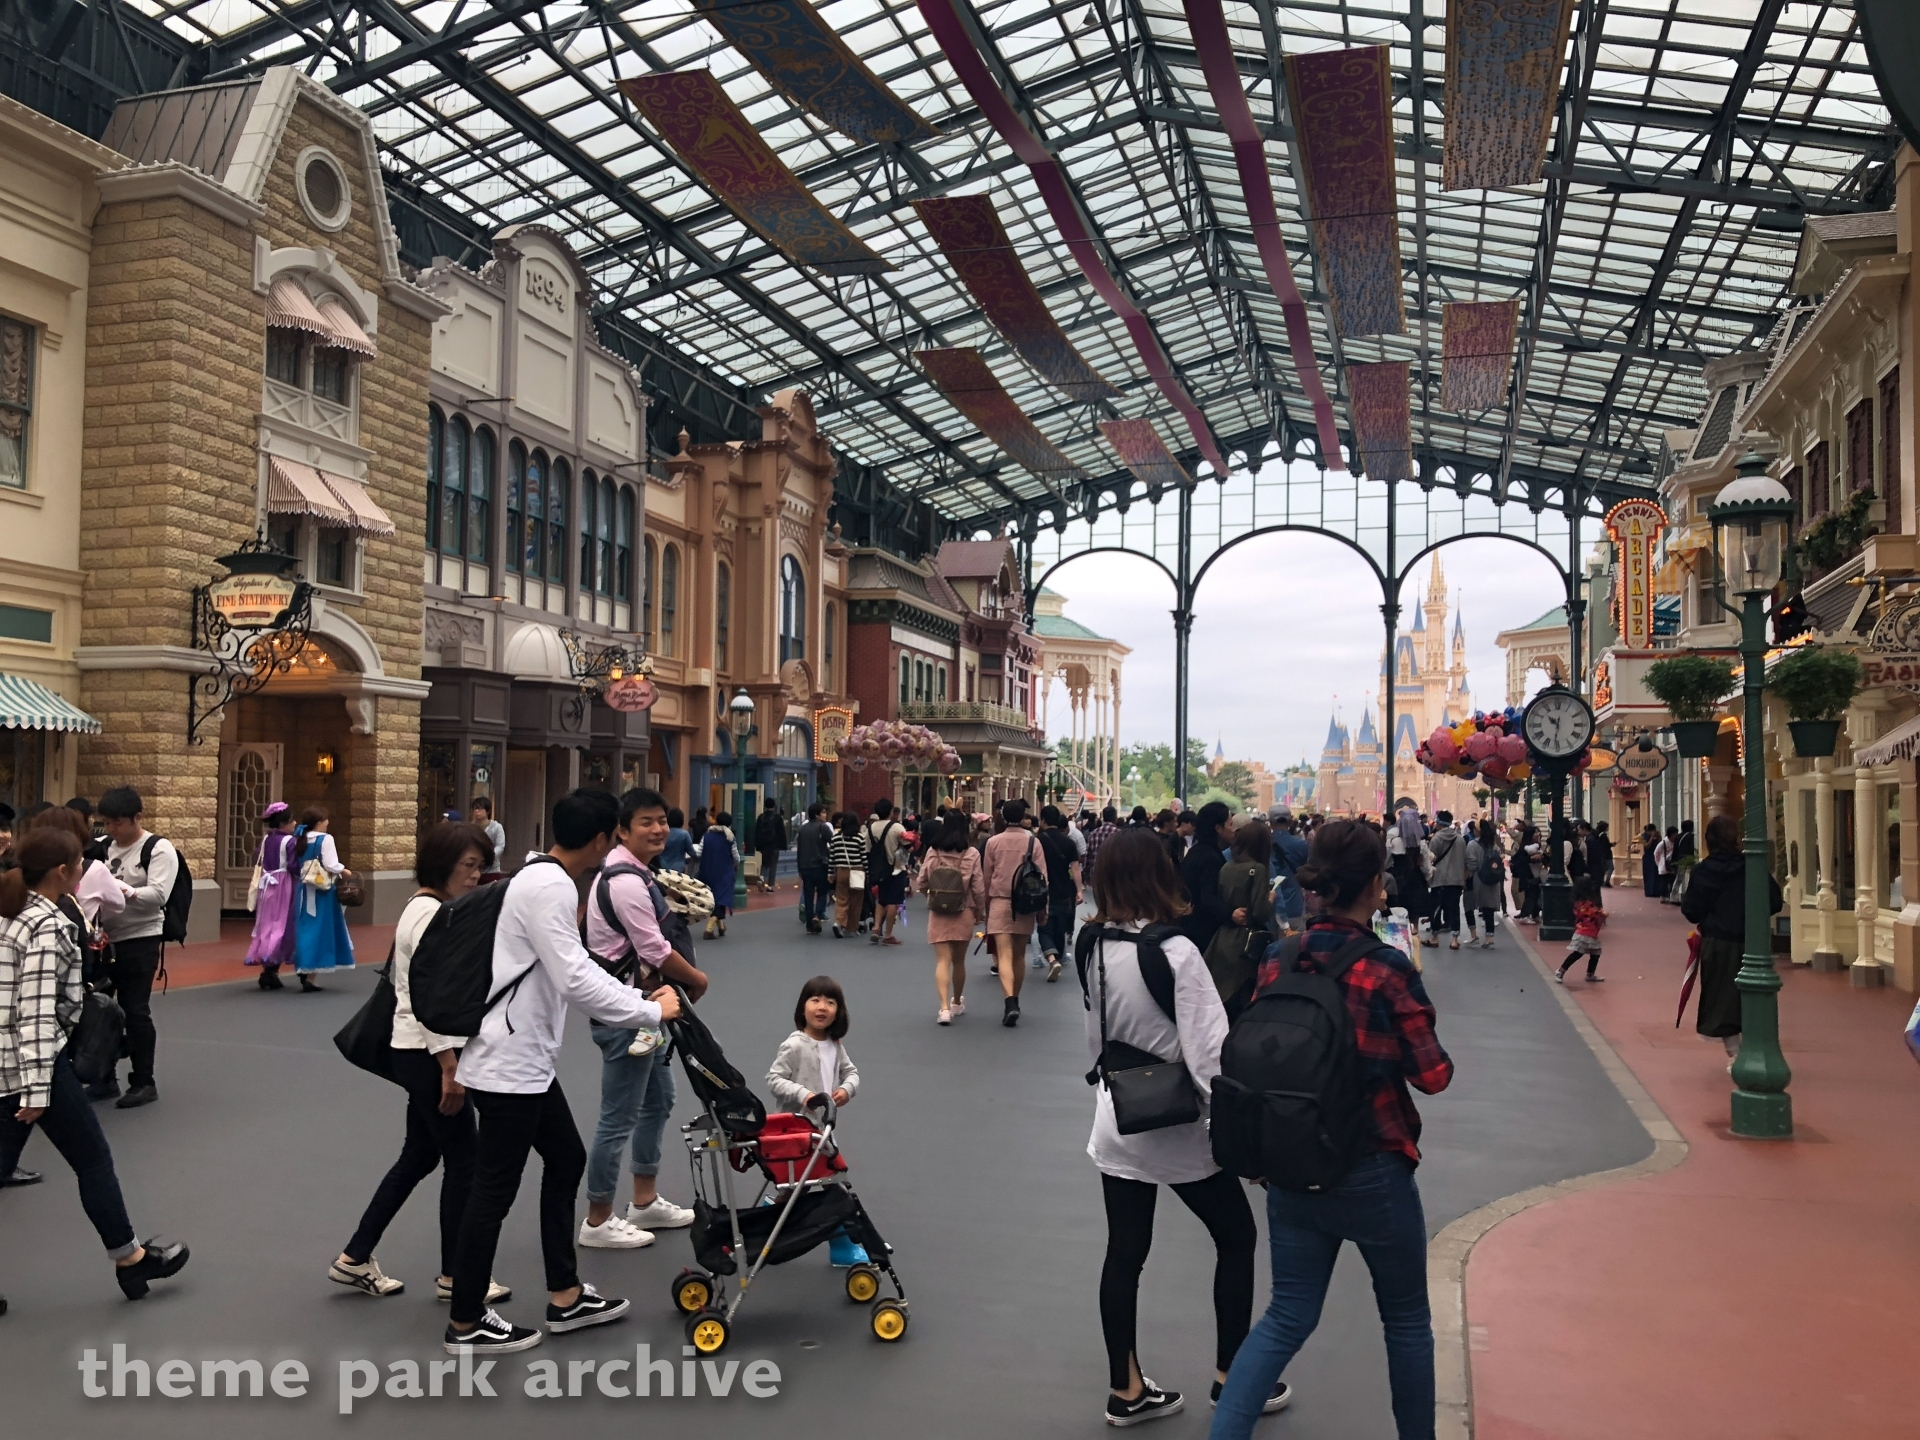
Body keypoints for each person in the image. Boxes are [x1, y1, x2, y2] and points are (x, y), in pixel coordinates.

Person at [1211, 820, 1454, 1440]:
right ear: (1375, 885)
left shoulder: (1280, 958)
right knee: (1405, 1321)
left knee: (1285, 1316)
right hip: (1373, 1165)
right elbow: (1432, 1075)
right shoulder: (1387, 968)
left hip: (1293, 1160)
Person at [444, 789, 683, 1355]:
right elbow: (574, 977)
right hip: (510, 1064)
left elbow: (573, 969)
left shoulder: (539, 876)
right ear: (601, 839)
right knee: (493, 1189)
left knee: (566, 1158)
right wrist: (650, 1011)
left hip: (521, 1059)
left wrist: (636, 999)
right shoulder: (550, 887)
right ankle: (466, 1321)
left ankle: (566, 1294)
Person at [1082, 828, 1281, 1428]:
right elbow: (1209, 1053)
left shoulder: (1092, 943)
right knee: (1236, 1237)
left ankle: (1126, 1388)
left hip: (1120, 1116)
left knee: (1124, 1253)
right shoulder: (1176, 952)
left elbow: (1096, 1037)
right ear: (1160, 875)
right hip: (1180, 1126)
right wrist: (1240, 1135)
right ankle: (1232, 1376)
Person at [0, 827, 191, 1307]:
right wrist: (37, 1089)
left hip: (8, 1060)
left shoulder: (9, 912)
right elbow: (37, 1012)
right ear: (62, 871)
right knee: (93, 1160)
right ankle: (130, 1259)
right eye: (80, 863)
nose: (85, 868)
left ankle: (131, 1258)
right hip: (34, 1066)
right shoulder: (47, 924)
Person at [331, 822, 511, 1305]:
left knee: (420, 1155)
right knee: (465, 1161)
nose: (475, 875)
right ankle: (456, 1275)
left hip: (416, 1051)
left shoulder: (422, 907)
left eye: (480, 866)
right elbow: (427, 999)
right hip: (430, 1054)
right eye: (468, 865)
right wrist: (450, 1067)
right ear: (442, 864)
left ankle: (355, 1256)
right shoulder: (433, 915)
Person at [580, 788, 706, 1248]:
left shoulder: (637, 872)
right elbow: (653, 949)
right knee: (617, 1118)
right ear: (622, 830)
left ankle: (644, 1199)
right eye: (646, 822)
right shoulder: (628, 883)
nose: (658, 830)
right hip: (627, 1014)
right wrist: (697, 979)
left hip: (646, 1011)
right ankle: (597, 1220)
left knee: (658, 1100)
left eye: (662, 821)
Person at [766, 975, 865, 1266]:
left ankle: (767, 1224)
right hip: (796, 1130)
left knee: (800, 1188)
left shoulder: (835, 1045)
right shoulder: (794, 1045)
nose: (822, 1007)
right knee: (831, 1183)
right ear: (803, 1007)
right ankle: (842, 1246)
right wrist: (804, 1094)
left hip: (822, 1130)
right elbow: (774, 1079)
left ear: (838, 1011)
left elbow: (851, 1072)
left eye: (830, 1002)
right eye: (815, 1000)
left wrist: (847, 1089)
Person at [96, 787, 178, 1109]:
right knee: (100, 1009)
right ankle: (103, 1077)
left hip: (140, 937)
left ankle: (144, 1081)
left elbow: (158, 895)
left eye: (118, 823)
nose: (112, 829)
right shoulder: (102, 847)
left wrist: (121, 890)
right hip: (103, 939)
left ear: (137, 818)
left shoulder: (157, 849)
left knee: (135, 1010)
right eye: (107, 823)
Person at [1681, 813, 1783, 1063]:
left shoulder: (1704, 871)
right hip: (1752, 942)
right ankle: (1754, 1044)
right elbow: (1774, 901)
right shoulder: (1750, 867)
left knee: (1722, 998)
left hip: (1718, 941)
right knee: (1752, 995)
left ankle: (1735, 1053)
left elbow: (1692, 910)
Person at [982, 798, 1047, 1027]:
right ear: (1023, 817)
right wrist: (1042, 909)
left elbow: (987, 876)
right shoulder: (1033, 842)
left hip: (1000, 901)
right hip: (1025, 904)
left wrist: (985, 905)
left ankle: (1009, 1000)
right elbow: (1042, 877)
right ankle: (1015, 998)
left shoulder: (993, 842)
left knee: (1004, 955)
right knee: (1019, 956)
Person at [917, 813, 985, 1025]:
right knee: (959, 961)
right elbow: (978, 888)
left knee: (942, 961)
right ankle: (956, 1002)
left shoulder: (933, 851)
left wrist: (932, 896)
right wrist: (979, 911)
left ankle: (944, 1008)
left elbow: (921, 882)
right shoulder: (971, 853)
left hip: (939, 912)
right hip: (963, 910)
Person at [1204, 819, 1274, 1016]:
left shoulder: (1226, 867)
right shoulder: (1257, 869)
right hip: (1246, 941)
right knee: (1245, 994)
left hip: (1224, 937)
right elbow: (1260, 912)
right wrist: (1270, 900)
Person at [291, 806, 355, 989]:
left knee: (305, 928)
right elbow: (330, 864)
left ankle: (303, 965)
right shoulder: (326, 839)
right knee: (319, 930)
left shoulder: (300, 839)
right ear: (319, 822)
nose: (328, 822)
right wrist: (344, 871)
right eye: (325, 819)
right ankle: (310, 975)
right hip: (322, 891)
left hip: (303, 890)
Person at [244, 803, 299, 989]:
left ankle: (268, 967)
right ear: (283, 823)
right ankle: (272, 965)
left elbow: (256, 856)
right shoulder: (290, 842)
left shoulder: (267, 839)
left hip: (266, 884)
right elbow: (293, 865)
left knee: (267, 923)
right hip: (284, 885)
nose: (295, 823)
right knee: (281, 923)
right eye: (292, 820)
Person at [1177, 801, 1235, 958]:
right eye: (1230, 824)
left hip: (1187, 927)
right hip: (1203, 934)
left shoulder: (1196, 851)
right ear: (1218, 828)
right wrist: (1231, 914)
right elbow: (1208, 898)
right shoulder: (1211, 858)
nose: (1233, 830)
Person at [1036, 805, 1083, 983]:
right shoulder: (1069, 843)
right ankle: (1059, 957)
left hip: (1043, 891)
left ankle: (1052, 959)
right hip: (1064, 891)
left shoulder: (1037, 841)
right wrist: (1079, 890)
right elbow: (1075, 868)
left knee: (1044, 928)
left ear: (1043, 820)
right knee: (1060, 929)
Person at [864, 799, 910, 947]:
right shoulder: (896, 827)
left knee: (881, 899)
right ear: (890, 811)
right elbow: (908, 845)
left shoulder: (870, 828)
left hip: (877, 869)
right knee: (893, 902)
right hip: (896, 868)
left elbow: (867, 849)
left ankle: (876, 927)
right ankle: (888, 934)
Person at [1426, 810, 1467, 950]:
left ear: (1438, 823)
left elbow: (1431, 858)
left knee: (1436, 908)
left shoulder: (1436, 839)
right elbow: (1465, 860)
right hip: (1457, 879)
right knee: (1454, 908)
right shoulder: (1460, 839)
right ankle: (1454, 939)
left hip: (1440, 879)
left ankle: (1434, 937)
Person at [1556, 875, 1608, 983]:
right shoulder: (1584, 903)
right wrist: (1602, 913)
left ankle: (1590, 974)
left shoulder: (1580, 901)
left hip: (1590, 931)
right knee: (1577, 953)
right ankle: (1561, 971)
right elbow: (1592, 913)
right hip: (1584, 932)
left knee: (1595, 953)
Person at [695, 810, 738, 939]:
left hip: (707, 871)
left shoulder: (707, 836)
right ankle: (709, 929)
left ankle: (721, 927)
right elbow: (736, 856)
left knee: (713, 898)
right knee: (721, 899)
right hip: (724, 872)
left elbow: (698, 853)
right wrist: (736, 864)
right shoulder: (729, 838)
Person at [794, 801, 833, 935]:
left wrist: (799, 868)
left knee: (808, 894)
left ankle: (810, 924)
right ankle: (818, 914)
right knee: (822, 892)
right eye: (823, 812)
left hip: (805, 866)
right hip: (820, 865)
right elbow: (832, 842)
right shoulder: (823, 827)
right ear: (817, 815)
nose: (825, 815)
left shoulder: (802, 829)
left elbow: (799, 850)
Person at [827, 812, 868, 939]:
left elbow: (832, 857)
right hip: (857, 870)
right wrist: (867, 872)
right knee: (856, 901)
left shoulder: (836, 838)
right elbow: (864, 857)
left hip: (841, 870)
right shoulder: (859, 838)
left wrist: (830, 872)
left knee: (841, 898)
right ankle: (851, 928)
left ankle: (838, 922)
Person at [1269, 807, 1308, 936]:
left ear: (1270, 822)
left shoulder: (1262, 844)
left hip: (1269, 907)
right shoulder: (1301, 845)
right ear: (1290, 821)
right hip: (1294, 905)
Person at [1465, 819, 1503, 949]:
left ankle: (1473, 935)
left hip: (1476, 880)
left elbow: (1472, 865)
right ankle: (1489, 938)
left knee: (1469, 906)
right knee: (1488, 909)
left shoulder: (1472, 845)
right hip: (1492, 881)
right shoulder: (1494, 846)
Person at [753, 798, 788, 894]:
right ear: (774, 806)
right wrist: (784, 845)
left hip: (764, 845)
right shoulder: (777, 817)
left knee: (764, 863)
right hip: (774, 845)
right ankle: (770, 886)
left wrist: (758, 845)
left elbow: (757, 832)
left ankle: (761, 877)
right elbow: (781, 832)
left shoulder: (761, 817)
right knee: (773, 865)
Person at [469, 798, 506, 868]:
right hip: (473, 866)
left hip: (492, 867)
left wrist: (489, 856)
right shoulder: (470, 827)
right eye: (475, 809)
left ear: (488, 811)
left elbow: (500, 846)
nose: (476, 811)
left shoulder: (496, 827)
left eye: (480, 809)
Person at [659, 809, 694, 875]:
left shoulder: (663, 833)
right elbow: (691, 852)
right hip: (678, 868)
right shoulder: (684, 834)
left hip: (662, 866)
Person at [1639, 823, 1663, 898]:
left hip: (1656, 857)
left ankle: (1657, 891)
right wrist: (1651, 838)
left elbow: (1660, 844)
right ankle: (1649, 891)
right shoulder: (1642, 836)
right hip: (1648, 857)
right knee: (1648, 875)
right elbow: (1646, 846)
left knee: (1656, 875)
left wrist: (1658, 837)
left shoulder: (1657, 835)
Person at [1589, 821, 1615, 888]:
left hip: (1603, 855)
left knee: (1605, 868)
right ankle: (1607, 881)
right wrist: (1610, 845)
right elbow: (1605, 846)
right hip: (1607, 855)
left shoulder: (1599, 835)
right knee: (1610, 868)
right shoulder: (1603, 836)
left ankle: (1604, 881)